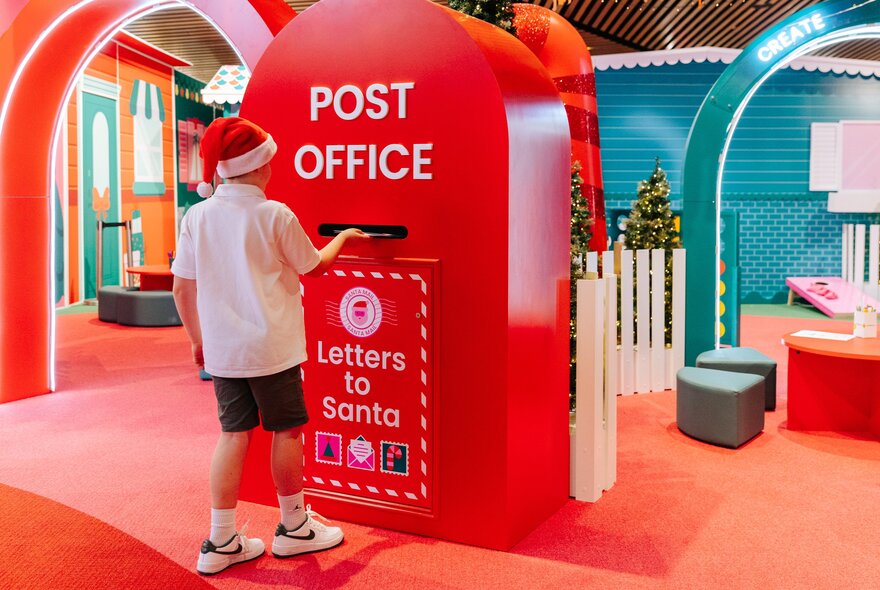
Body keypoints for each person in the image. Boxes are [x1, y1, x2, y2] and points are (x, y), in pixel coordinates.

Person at [171, 116, 367, 576]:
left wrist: (198, 341)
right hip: (272, 349)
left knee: (232, 434)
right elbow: (313, 266)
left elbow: (182, 288)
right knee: (288, 429)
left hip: (223, 351)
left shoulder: (196, 216)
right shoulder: (274, 214)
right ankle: (295, 528)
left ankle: (221, 539)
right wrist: (343, 237)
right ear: (258, 167)